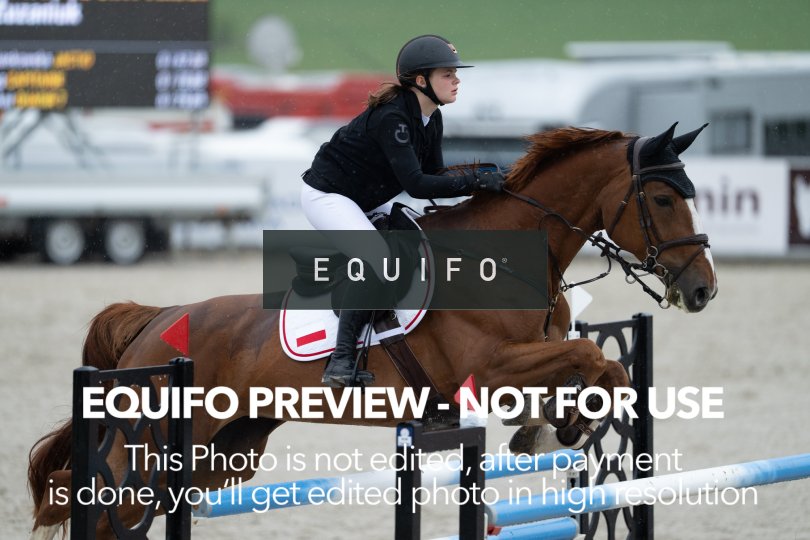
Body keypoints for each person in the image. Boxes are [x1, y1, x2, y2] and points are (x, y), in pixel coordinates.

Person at [300, 34, 505, 388]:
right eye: (447, 74)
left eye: (455, 74)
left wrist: (490, 179)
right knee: (379, 260)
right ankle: (340, 361)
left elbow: (436, 174)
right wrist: (475, 181)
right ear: (421, 80)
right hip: (328, 196)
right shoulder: (393, 117)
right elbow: (418, 185)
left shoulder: (432, 118)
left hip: (366, 197)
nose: (457, 80)